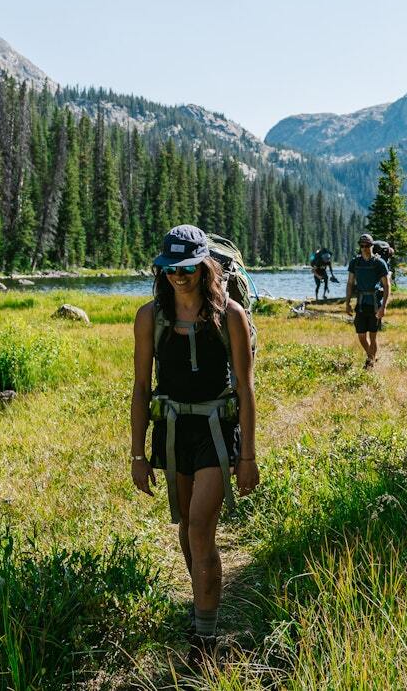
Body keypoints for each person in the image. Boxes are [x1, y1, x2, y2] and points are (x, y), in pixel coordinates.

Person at [131, 225, 259, 653]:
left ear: (204, 265)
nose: (178, 276)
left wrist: (248, 458)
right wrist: (136, 453)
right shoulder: (150, 316)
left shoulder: (231, 316)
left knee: (202, 527)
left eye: (187, 267)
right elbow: (140, 387)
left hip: (217, 432)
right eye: (169, 268)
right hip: (171, 431)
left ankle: (206, 638)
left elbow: (245, 387)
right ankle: (202, 604)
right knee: (186, 527)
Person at [345, 233, 391, 369]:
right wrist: (347, 303)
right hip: (360, 304)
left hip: (375, 304)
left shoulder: (379, 263)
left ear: (372, 246)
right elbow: (349, 283)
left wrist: (384, 306)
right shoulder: (355, 262)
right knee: (361, 336)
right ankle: (371, 356)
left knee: (373, 336)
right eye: (362, 245)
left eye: (367, 245)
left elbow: (387, 285)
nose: (364, 248)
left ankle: (370, 363)